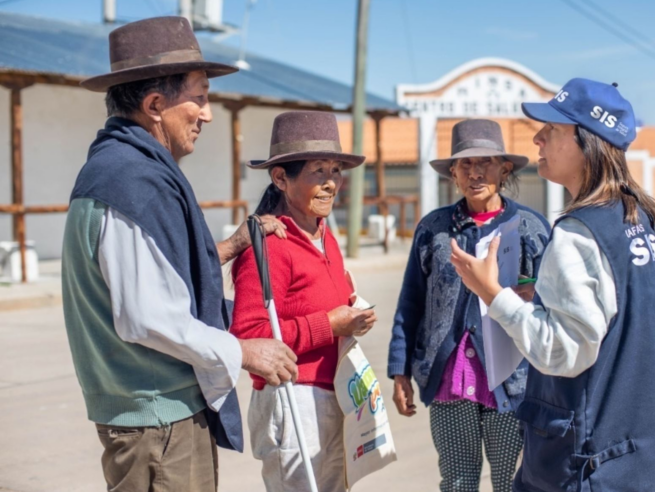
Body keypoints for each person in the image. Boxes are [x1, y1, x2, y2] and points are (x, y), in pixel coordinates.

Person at [62, 17, 297, 492]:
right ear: (154, 105)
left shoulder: (120, 169)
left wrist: (229, 247)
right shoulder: (130, 181)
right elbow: (148, 316)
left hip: (154, 419)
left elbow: (152, 273)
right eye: (201, 97)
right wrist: (244, 351)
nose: (207, 114)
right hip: (157, 424)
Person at [450, 79, 655, 492]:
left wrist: (494, 295)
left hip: (586, 467)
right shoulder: (637, 218)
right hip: (640, 458)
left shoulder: (578, 232)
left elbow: (563, 351)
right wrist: (540, 300)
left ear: (587, 142)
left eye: (552, 130)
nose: (537, 137)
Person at [387, 119, 550, 492]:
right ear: (454, 174)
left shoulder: (531, 228)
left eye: (486, 163)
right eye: (465, 165)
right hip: (449, 380)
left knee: (514, 481)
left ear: (504, 169)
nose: (475, 173)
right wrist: (400, 370)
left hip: (515, 381)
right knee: (458, 481)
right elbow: (411, 300)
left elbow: (555, 306)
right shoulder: (434, 228)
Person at [230, 111, 377, 492]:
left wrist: (352, 315)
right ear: (281, 178)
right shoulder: (268, 247)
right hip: (293, 401)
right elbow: (248, 334)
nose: (331, 183)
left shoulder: (325, 233)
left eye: (335, 171)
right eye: (318, 171)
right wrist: (330, 325)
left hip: (334, 394)